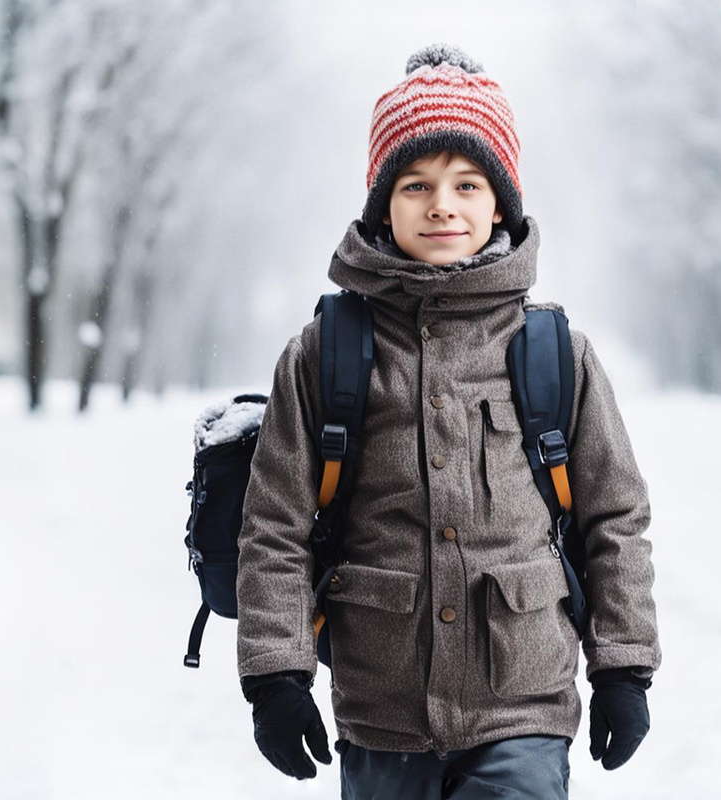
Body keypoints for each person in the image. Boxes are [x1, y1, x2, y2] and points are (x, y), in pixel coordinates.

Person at [236, 43, 660, 799]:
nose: (442, 205)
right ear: (382, 205)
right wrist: (277, 674)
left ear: (500, 204)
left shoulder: (554, 353)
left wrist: (623, 666)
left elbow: (614, 515)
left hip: (524, 707)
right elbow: (275, 525)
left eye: (468, 183)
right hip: (382, 715)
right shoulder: (325, 354)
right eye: (416, 185)